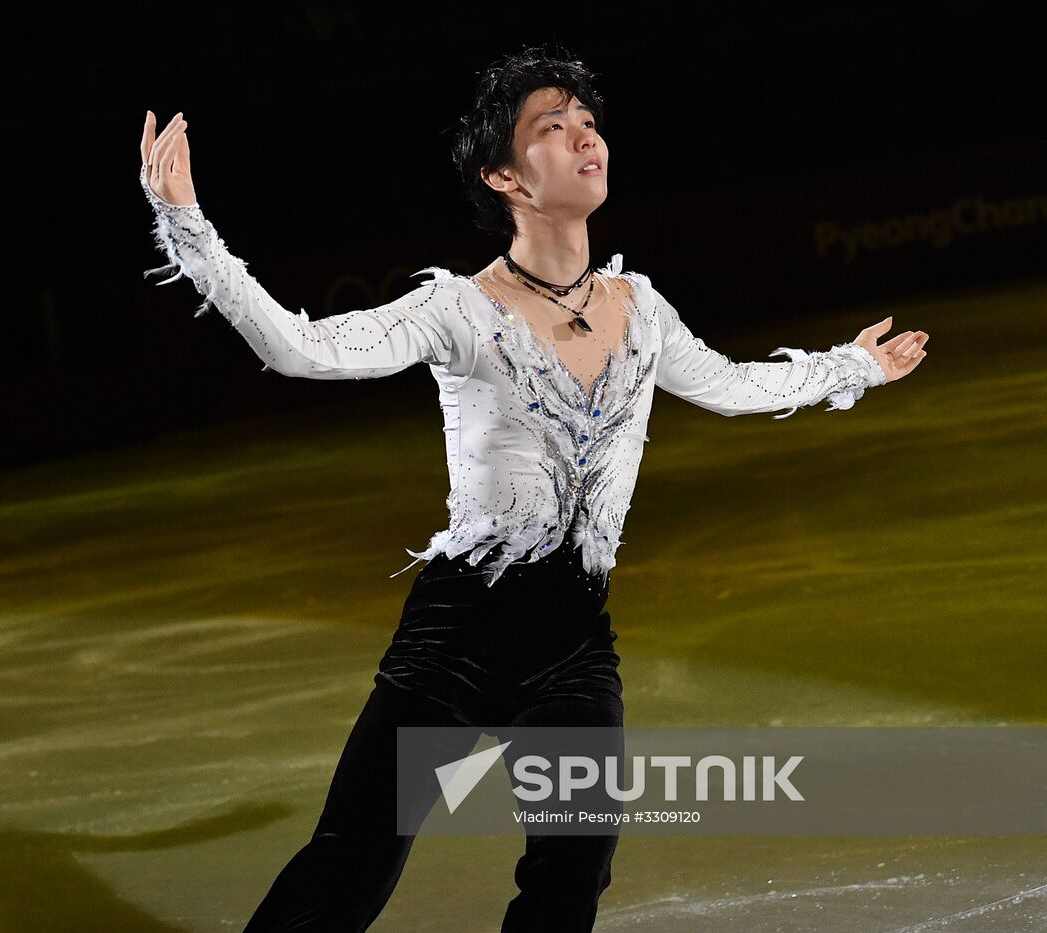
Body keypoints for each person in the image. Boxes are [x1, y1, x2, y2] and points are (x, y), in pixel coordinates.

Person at [137, 44, 927, 933]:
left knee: (570, 876)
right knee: (348, 870)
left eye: (589, 123)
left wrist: (850, 365)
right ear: (505, 176)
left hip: (573, 645)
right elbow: (298, 347)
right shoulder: (459, 310)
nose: (586, 138)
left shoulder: (641, 308)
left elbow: (737, 386)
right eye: (554, 128)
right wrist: (187, 222)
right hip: (454, 641)